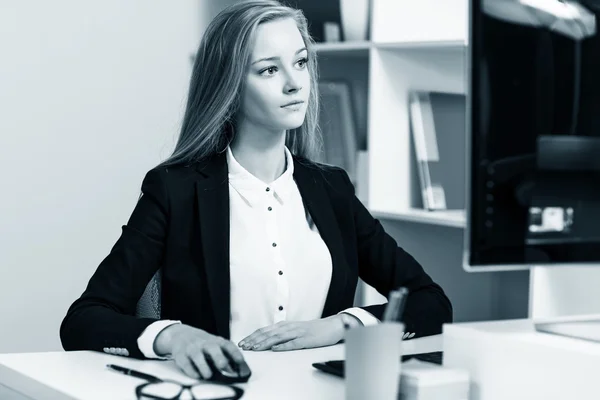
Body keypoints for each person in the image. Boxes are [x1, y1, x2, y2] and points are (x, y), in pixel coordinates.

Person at [60, 0, 453, 380]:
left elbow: (431, 302)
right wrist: (173, 336)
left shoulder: (331, 188)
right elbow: (84, 319)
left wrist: (342, 325)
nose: (294, 83)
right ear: (228, 84)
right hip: (222, 391)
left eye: (301, 63)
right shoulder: (175, 189)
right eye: (268, 70)